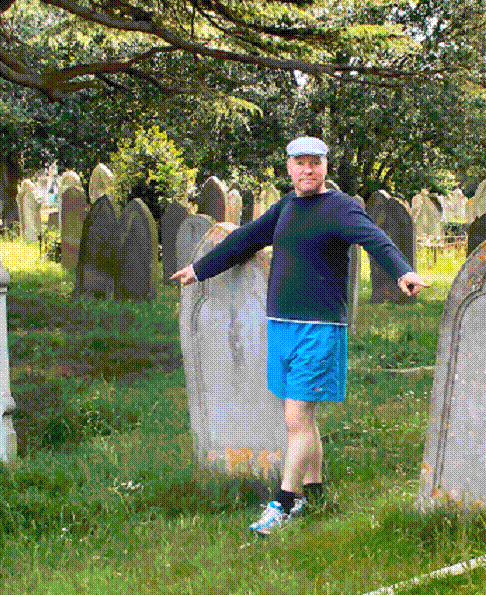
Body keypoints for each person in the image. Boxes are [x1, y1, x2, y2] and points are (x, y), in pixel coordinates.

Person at [170, 136, 428, 535]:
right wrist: (199, 269)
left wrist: (402, 271)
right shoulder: (285, 208)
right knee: (302, 418)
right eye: (300, 163)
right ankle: (315, 492)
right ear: (289, 168)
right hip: (281, 326)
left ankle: (284, 502)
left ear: (325, 167)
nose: (307, 169)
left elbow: (377, 240)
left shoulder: (341, 207)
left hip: (319, 329)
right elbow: (244, 240)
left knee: (296, 418)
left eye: (315, 162)